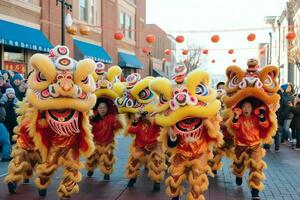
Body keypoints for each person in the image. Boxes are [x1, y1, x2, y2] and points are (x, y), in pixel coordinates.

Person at [231, 100, 269, 200]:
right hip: (241, 145)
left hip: (255, 145)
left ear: (252, 109)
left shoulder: (256, 117)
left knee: (256, 167)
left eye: (248, 107)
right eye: (244, 106)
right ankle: (239, 175)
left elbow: (265, 125)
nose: (246, 109)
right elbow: (234, 126)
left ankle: (255, 191)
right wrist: (235, 116)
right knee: (239, 164)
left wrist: (262, 116)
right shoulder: (239, 117)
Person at [85, 100, 122, 181]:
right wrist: (88, 119)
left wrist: (117, 119)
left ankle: (106, 173)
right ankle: (90, 169)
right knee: (92, 158)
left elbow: (118, 126)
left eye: (104, 107)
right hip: (96, 142)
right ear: (97, 109)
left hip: (108, 142)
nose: (102, 109)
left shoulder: (111, 118)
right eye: (100, 107)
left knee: (108, 158)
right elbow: (87, 128)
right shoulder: (93, 118)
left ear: (107, 109)